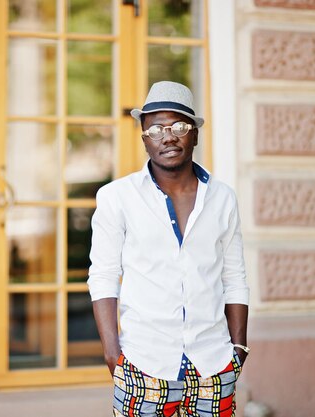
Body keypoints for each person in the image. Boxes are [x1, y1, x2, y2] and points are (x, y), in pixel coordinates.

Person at [87, 81, 250, 417]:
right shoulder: (117, 198)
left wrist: (238, 348)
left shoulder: (223, 198)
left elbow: (234, 277)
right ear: (145, 137)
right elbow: (103, 275)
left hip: (214, 364)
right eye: (156, 128)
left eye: (179, 126)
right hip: (144, 363)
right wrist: (112, 353)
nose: (169, 136)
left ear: (195, 134)